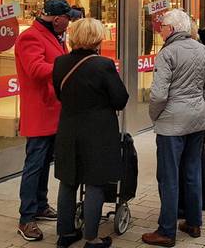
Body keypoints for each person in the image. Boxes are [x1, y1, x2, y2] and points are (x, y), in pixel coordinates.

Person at [142, 9, 205, 247]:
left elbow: (159, 94)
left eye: (163, 26)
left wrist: (156, 116)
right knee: (192, 171)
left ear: (172, 29)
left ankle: (166, 230)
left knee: (168, 176)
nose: (160, 29)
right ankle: (194, 222)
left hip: (171, 122)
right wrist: (196, 101)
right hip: (196, 119)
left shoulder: (167, 53)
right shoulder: (202, 49)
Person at [53, 18, 129, 248]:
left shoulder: (59, 62)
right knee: (94, 183)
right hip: (98, 133)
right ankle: (92, 238)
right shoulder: (103, 65)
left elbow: (59, 95)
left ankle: (65, 234)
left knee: (68, 181)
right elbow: (120, 99)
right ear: (97, 38)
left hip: (68, 128)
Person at [15, 0, 80, 241]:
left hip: (53, 111)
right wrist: (68, 66)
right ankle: (26, 218)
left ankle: (40, 205)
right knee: (34, 165)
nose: (69, 23)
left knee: (43, 164)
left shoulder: (54, 36)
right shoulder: (30, 37)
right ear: (56, 19)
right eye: (68, 19)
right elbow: (35, 69)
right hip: (40, 112)